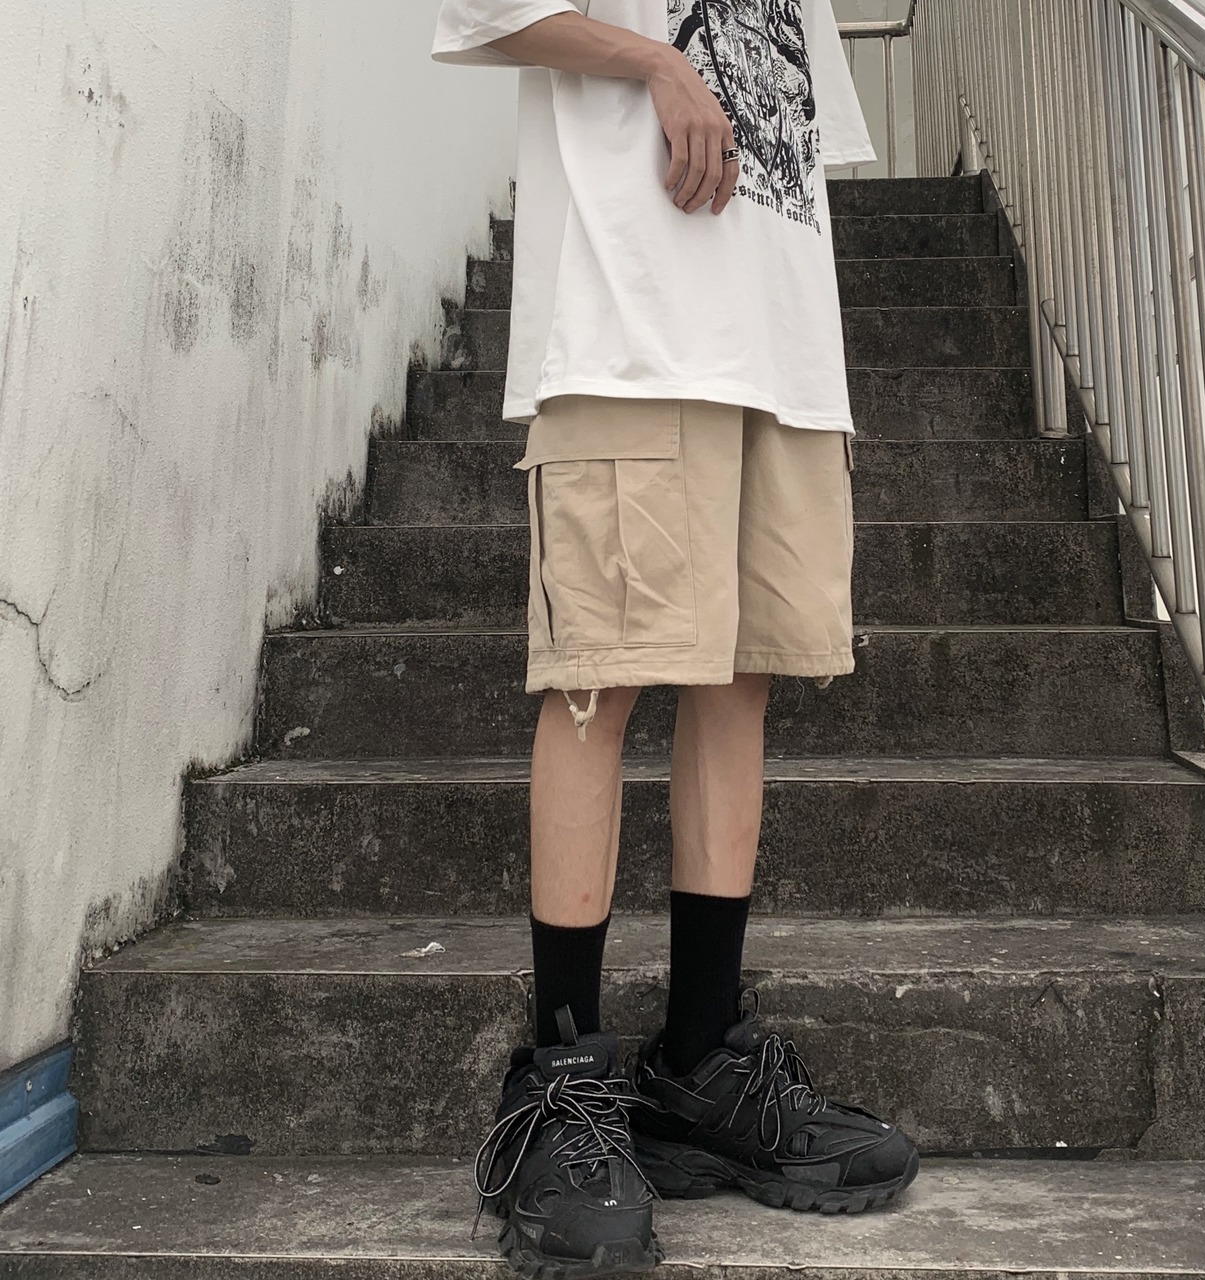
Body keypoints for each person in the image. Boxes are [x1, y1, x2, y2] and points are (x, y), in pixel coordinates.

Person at [432, 3, 919, 1275]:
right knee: (598, 680)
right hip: (631, 328)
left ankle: (700, 1059)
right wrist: (653, 59)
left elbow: (790, 136)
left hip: (784, 353)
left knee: (743, 681)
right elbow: (490, 13)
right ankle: (558, 1088)